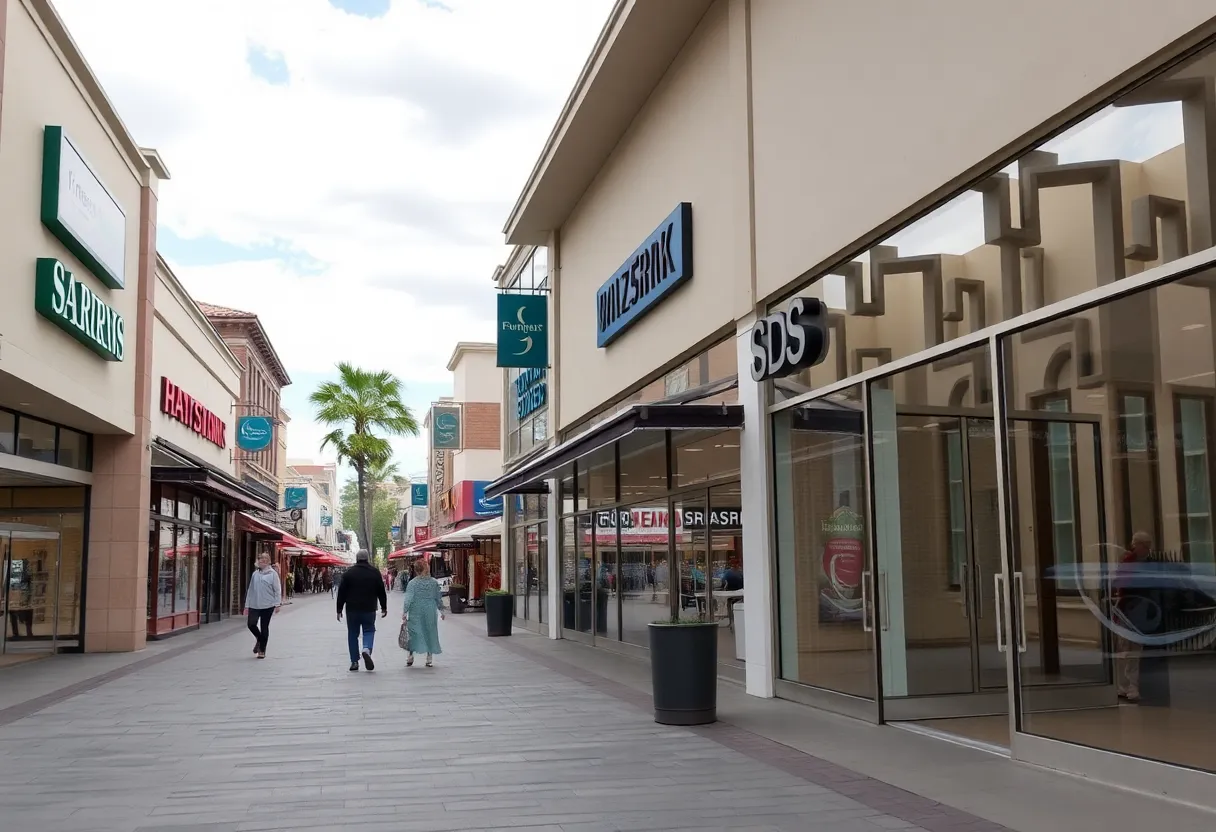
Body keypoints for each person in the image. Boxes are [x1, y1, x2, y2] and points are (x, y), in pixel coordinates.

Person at [1114, 531, 1153, 702]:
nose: (1137, 548)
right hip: (1127, 609)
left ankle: (1132, 686)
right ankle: (1123, 685)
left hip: (1140, 610)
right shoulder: (1128, 562)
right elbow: (1120, 583)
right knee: (1125, 648)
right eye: (1140, 545)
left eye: (1143, 545)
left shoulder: (1148, 563)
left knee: (1135, 650)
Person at [336, 549, 387, 672]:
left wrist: (339, 609)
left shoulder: (348, 573)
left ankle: (354, 662)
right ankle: (366, 649)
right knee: (369, 630)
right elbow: (381, 591)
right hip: (369, 608)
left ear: (357, 559)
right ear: (367, 558)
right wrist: (384, 607)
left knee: (352, 634)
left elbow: (341, 592)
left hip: (352, 609)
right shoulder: (375, 572)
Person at [402, 556, 445, 667]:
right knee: (430, 632)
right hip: (430, 610)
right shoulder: (433, 582)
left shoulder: (412, 583)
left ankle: (410, 656)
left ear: (416, 570)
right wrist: (441, 610)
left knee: (414, 633)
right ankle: (429, 658)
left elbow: (408, 599)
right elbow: (438, 597)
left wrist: (405, 612)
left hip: (416, 610)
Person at [243, 553, 281, 659]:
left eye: (264, 560)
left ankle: (262, 650)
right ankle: (260, 639)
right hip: (254, 604)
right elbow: (250, 590)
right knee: (251, 624)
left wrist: (277, 604)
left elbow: (277, 590)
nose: (262, 561)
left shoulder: (273, 574)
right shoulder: (255, 574)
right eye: (260, 559)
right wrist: (247, 605)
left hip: (268, 605)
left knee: (264, 627)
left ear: (268, 561)